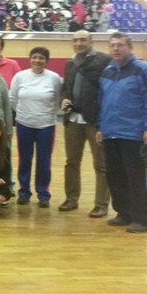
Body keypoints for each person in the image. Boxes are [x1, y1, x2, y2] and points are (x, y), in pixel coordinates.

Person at [97, 32, 147, 233]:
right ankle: (124, 213)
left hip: (135, 135)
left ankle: (142, 219)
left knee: (137, 179)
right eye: (112, 45)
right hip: (111, 133)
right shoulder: (107, 71)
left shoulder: (144, 69)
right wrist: (101, 127)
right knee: (115, 176)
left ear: (130, 48)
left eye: (120, 45)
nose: (116, 49)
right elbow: (102, 102)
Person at [58, 30, 111, 217]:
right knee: (71, 162)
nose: (79, 43)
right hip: (72, 119)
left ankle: (101, 204)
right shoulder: (70, 63)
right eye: (75, 40)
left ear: (91, 41)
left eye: (83, 40)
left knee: (101, 164)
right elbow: (66, 88)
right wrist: (64, 99)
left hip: (95, 121)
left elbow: (108, 89)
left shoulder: (104, 60)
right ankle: (71, 198)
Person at [9, 47, 62, 208]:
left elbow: (57, 100)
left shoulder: (54, 78)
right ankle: (24, 192)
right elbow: (13, 98)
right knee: (25, 159)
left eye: (41, 58)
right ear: (30, 59)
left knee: (44, 161)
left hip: (46, 126)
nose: (37, 61)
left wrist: (46, 114)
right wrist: (24, 113)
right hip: (24, 124)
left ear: (46, 61)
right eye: (35, 57)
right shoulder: (20, 76)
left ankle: (43, 193)